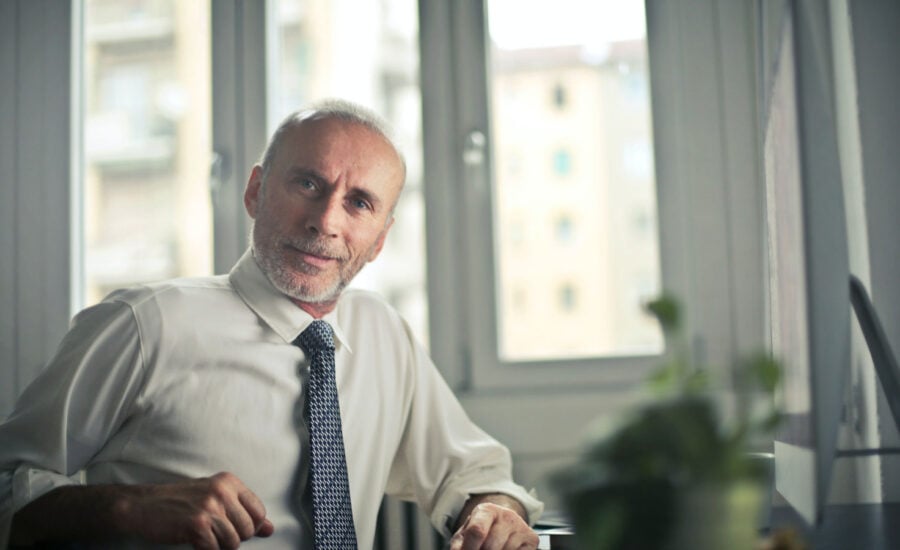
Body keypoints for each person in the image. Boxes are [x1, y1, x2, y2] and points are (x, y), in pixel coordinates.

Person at [0, 99, 543, 549]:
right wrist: (127, 507)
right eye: (308, 184)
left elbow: (474, 474)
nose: (326, 221)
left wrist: (494, 511)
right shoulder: (145, 325)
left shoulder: (384, 333)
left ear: (379, 239)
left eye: (358, 202)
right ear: (256, 190)